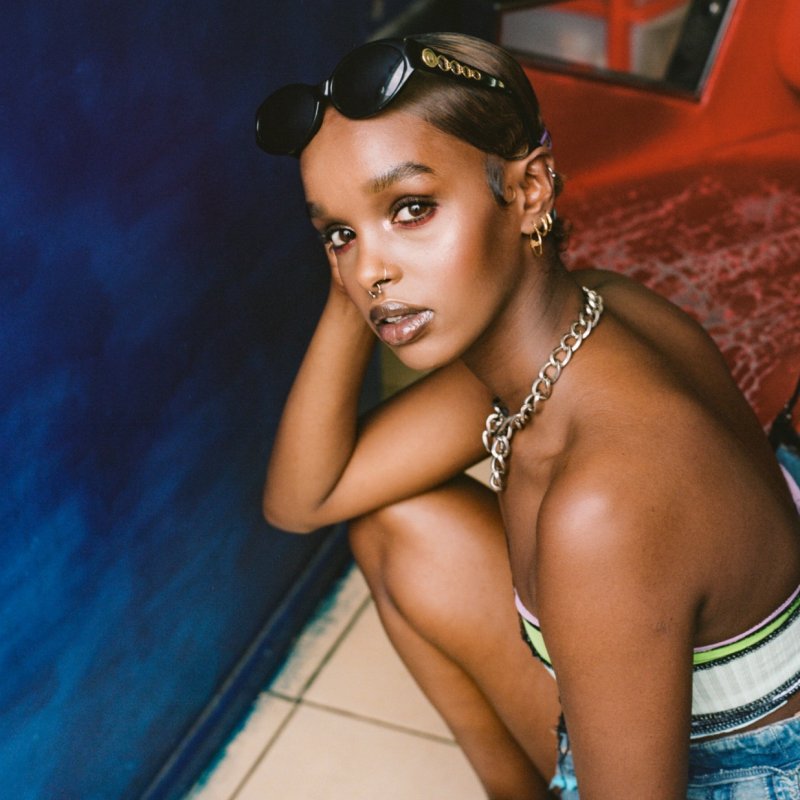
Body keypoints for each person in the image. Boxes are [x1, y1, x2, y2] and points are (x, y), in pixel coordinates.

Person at [257, 32, 800, 799]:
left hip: (754, 772)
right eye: (338, 233)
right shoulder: (583, 316)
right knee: (394, 524)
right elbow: (303, 498)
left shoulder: (602, 505)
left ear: (531, 191)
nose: (372, 268)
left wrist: (367, 253)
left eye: (411, 208)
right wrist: (359, 282)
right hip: (693, 707)